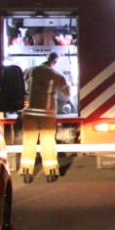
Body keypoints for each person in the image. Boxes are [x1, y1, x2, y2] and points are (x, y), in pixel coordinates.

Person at [21, 52, 70, 183]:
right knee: (48, 143)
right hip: (47, 115)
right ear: (55, 62)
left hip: (30, 114)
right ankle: (50, 174)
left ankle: (27, 174)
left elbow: (20, 81)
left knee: (29, 143)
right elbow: (68, 92)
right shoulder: (57, 75)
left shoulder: (31, 70)